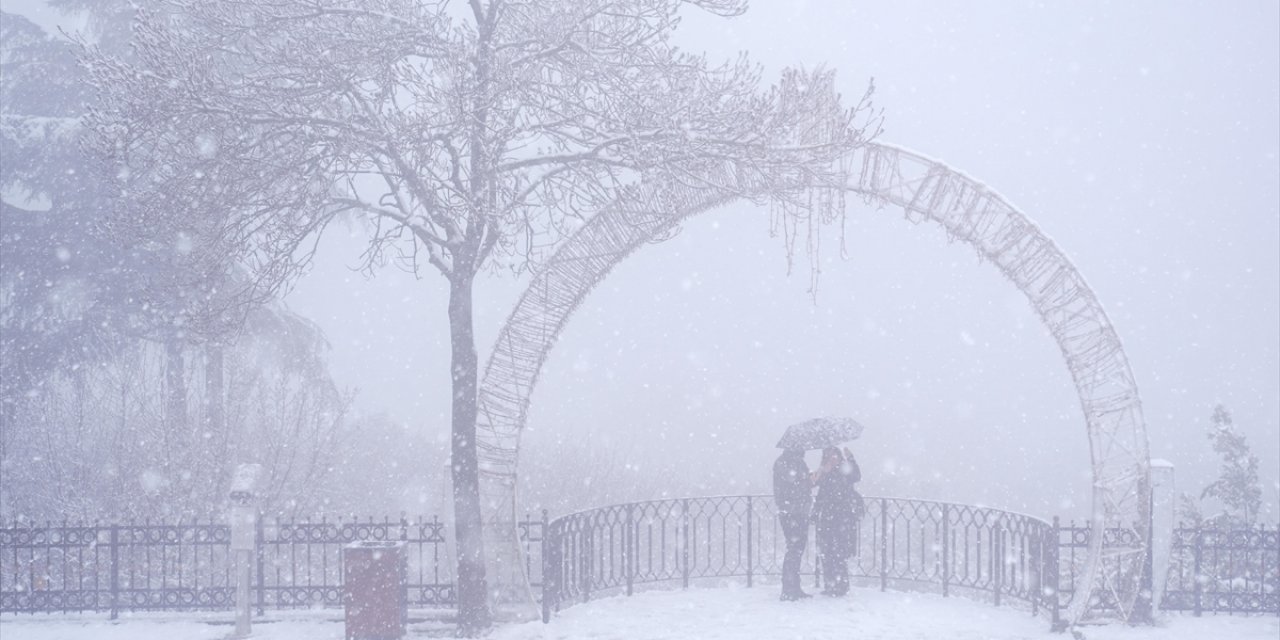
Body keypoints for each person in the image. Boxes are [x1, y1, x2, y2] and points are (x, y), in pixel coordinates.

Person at [812, 446, 862, 597]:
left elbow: (856, 476)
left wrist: (851, 458)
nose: (832, 460)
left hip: (842, 517)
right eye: (828, 457)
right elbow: (818, 489)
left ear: (839, 457)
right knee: (827, 552)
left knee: (839, 552)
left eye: (834, 457)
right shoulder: (825, 472)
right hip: (828, 517)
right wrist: (822, 470)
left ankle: (840, 585)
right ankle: (830, 585)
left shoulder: (844, 469)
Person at [772, 447, 813, 601]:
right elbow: (792, 483)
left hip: (798, 510)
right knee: (794, 548)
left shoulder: (794, 462)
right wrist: (805, 479)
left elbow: (800, 483)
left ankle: (794, 587)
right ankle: (789, 589)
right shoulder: (785, 462)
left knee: (797, 548)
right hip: (792, 511)